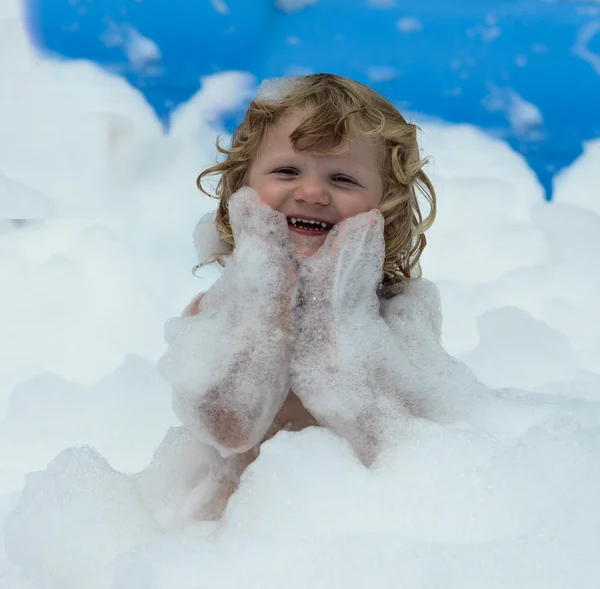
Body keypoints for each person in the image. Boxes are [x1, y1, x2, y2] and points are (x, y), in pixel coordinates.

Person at [158, 73, 483, 521]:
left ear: (386, 207)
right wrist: (268, 299)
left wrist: (342, 315)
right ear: (242, 190)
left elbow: (407, 445)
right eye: (287, 171)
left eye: (343, 178)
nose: (311, 193)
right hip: (236, 531)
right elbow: (227, 430)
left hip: (354, 524)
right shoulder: (219, 310)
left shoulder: (399, 312)